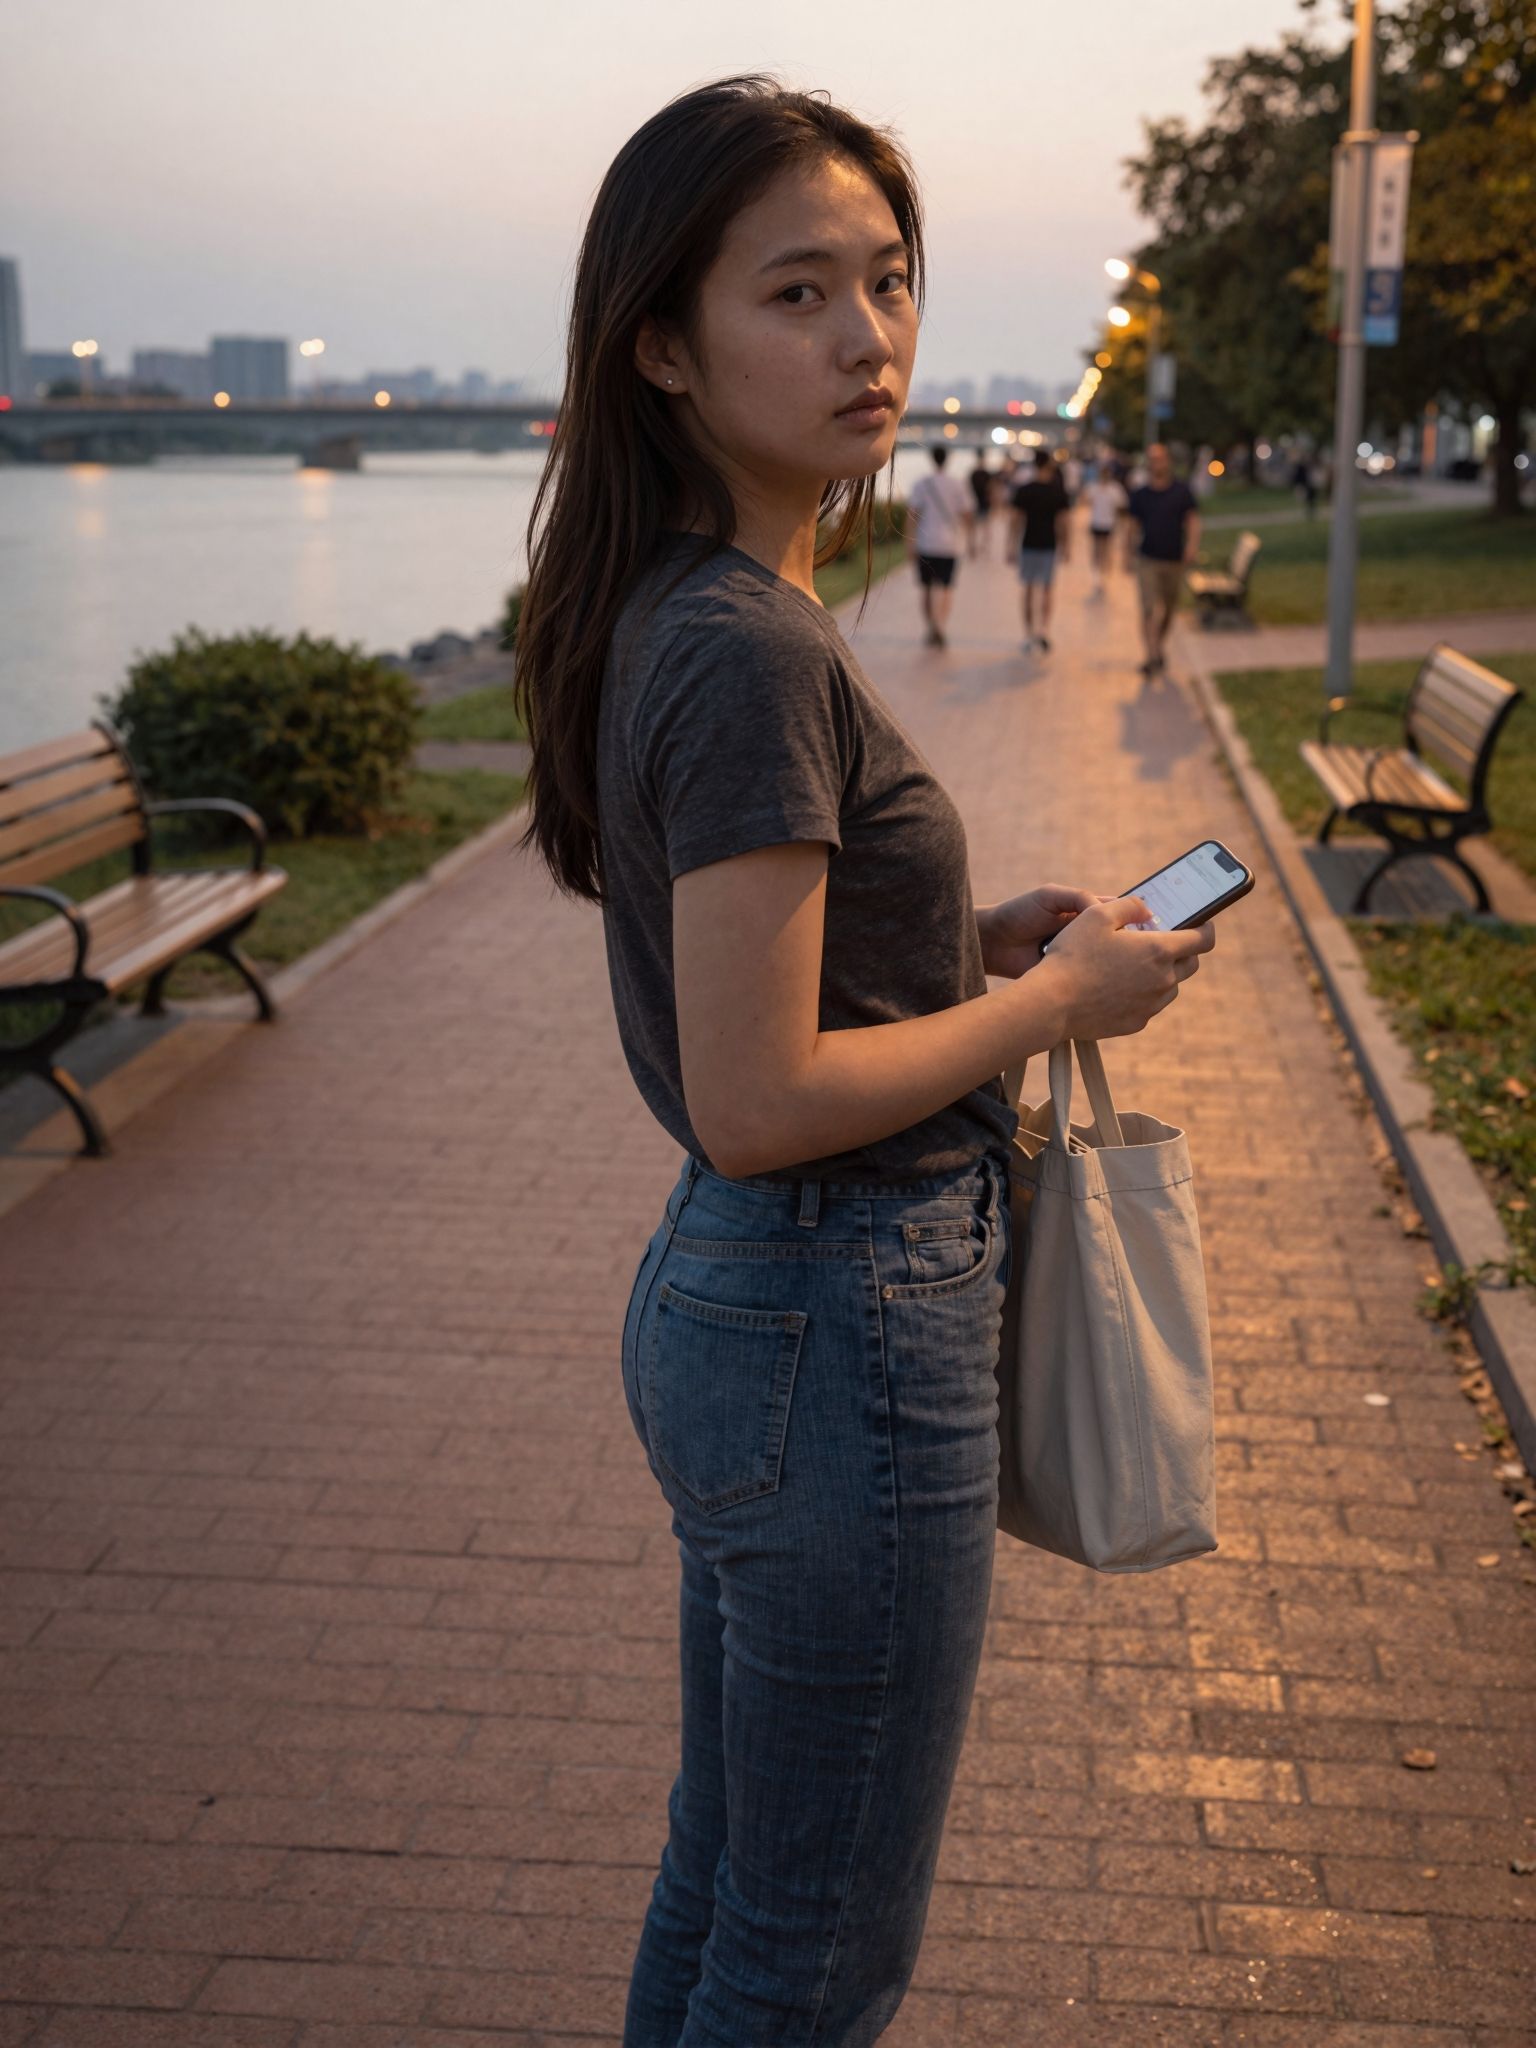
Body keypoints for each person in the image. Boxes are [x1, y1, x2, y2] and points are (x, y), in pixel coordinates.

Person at [513, 75, 1215, 2045]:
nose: (868, 339)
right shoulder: (746, 640)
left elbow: (773, 1006)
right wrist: (1054, 1008)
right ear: (664, 342)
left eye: (887, 284)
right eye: (799, 293)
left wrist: (952, 952)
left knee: (735, 1879)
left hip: (761, 1305)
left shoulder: (693, 601)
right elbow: (760, 1095)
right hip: (839, 1310)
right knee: (815, 1952)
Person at [1125, 441, 1200, 677]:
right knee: (1148, 608)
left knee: (1168, 610)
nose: (1156, 463)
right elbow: (1132, 526)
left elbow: (1193, 521)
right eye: (1152, 459)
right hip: (1148, 559)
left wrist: (1192, 547)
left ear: (1167, 461)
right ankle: (1152, 655)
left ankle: (1158, 645)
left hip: (1174, 559)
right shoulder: (1140, 495)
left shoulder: (1181, 491)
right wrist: (1127, 554)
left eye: (1160, 458)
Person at [904, 444, 972, 645]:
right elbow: (967, 514)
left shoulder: (921, 484)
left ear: (931, 458)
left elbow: (912, 517)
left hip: (926, 544)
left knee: (926, 588)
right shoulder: (958, 484)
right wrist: (973, 540)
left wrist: (909, 544)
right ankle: (941, 625)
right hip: (951, 545)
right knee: (946, 588)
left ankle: (931, 626)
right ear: (948, 459)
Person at [1008, 446, 1070, 652]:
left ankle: (1028, 633)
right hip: (1049, 544)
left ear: (1034, 464)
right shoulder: (1058, 491)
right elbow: (1063, 522)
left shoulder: (1025, 490)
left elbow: (1015, 520)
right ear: (1050, 465)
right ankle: (1043, 630)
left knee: (1027, 590)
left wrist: (1010, 545)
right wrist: (1066, 546)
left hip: (1028, 543)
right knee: (1047, 590)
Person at [1085, 458, 1128, 598]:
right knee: (1097, 551)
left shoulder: (1115, 489)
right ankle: (1098, 578)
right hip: (1097, 523)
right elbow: (1086, 501)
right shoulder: (1094, 487)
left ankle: (1103, 577)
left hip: (1108, 524)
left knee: (1106, 551)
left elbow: (1121, 506)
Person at [966, 448, 993, 559]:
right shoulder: (985, 473)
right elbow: (991, 489)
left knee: (977, 527)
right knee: (982, 526)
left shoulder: (974, 473)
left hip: (977, 503)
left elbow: (968, 488)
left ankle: (976, 547)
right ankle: (979, 547)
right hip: (980, 503)